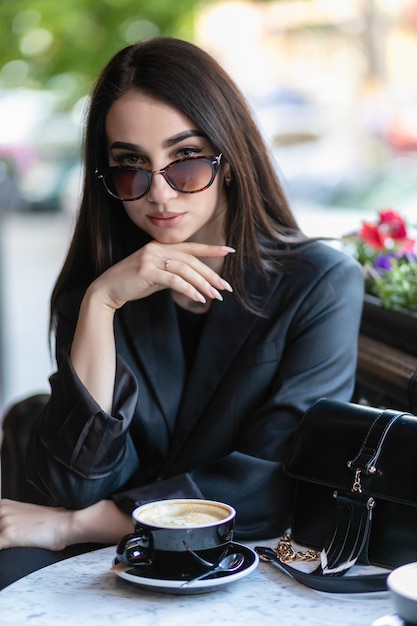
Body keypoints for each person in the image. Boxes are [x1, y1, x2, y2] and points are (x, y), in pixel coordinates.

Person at [0, 36, 364, 588]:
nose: (160, 194)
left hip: (239, 556)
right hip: (112, 553)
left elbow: (273, 483)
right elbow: (73, 480)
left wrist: (75, 525)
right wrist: (102, 306)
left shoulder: (320, 284)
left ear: (231, 156)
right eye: (131, 166)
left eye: (186, 159)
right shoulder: (98, 287)